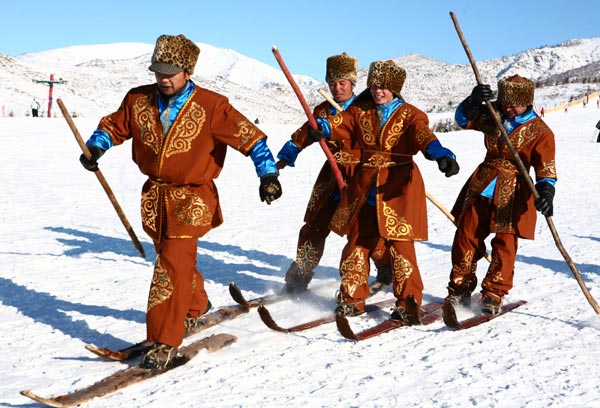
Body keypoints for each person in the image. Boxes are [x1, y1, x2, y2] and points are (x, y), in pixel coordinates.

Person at [79, 34, 282, 369]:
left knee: (170, 264)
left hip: (192, 197)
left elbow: (252, 139)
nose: (164, 78)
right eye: (159, 70)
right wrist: (96, 146)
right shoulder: (138, 99)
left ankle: (163, 339)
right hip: (155, 196)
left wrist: (268, 175)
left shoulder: (212, 106)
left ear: (187, 71)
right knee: (173, 257)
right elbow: (115, 126)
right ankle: (195, 307)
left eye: (171, 71)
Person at [310, 60, 460, 320]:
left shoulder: (411, 114)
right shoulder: (361, 111)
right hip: (365, 184)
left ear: (395, 89)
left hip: (397, 185)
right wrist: (322, 129)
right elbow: (341, 125)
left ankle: (408, 300)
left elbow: (422, 135)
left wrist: (440, 155)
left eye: (384, 87)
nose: (378, 91)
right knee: (357, 241)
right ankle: (351, 297)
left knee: (400, 245)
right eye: (375, 86)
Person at [276, 52, 392, 295]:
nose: (337, 88)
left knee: (364, 231)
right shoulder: (322, 110)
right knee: (313, 227)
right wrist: (285, 157)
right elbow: (303, 134)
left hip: (362, 177)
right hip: (332, 176)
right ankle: (300, 277)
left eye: (342, 83)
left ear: (352, 84)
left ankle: (386, 267)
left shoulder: (369, 108)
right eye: (332, 83)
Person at [446, 74, 557, 315]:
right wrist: (473, 102)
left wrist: (546, 191)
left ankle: (494, 292)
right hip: (482, 183)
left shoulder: (540, 131)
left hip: (514, 191)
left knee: (504, 243)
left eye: (514, 104)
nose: (508, 108)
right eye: (505, 102)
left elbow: (545, 168)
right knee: (466, 236)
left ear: (527, 101)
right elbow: (462, 120)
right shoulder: (492, 114)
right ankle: (459, 287)